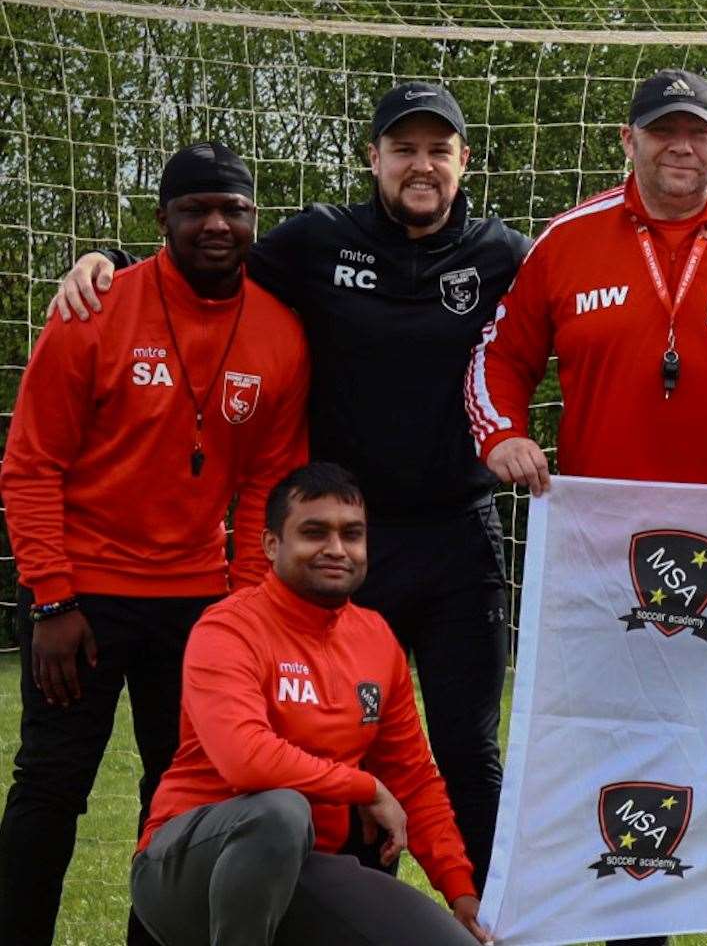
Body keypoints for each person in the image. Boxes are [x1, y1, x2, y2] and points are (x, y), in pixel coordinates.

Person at [52, 82, 528, 891]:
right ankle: (330, 911)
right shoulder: (317, 239)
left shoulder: (505, 253)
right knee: (325, 744)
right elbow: (208, 261)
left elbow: (583, 295)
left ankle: (485, 916)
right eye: (402, 148)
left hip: (458, 535)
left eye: (437, 150)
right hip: (340, 545)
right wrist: (113, 262)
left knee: (467, 753)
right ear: (372, 157)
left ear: (462, 161)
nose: (421, 164)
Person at [465, 69, 707, 946]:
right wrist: (501, 435)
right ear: (628, 140)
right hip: (611, 564)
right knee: (631, 759)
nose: (681, 146)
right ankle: (633, 926)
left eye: (699, 132)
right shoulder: (568, 242)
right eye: (662, 131)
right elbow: (495, 357)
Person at [0, 142, 309, 946]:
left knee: (180, 800)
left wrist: (243, 611)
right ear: (162, 219)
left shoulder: (279, 333)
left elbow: (265, 490)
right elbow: (30, 465)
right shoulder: (93, 311)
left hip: (200, 606)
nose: (215, 224)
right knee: (48, 789)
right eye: (194, 209)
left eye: (232, 209)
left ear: (253, 219)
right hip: (83, 602)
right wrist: (53, 598)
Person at [130, 462, 494, 946]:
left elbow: (413, 776)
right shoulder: (226, 629)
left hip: (306, 871)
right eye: (314, 532)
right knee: (280, 813)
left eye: (352, 534)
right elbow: (246, 761)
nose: (336, 549)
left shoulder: (376, 640)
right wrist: (365, 787)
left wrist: (459, 889)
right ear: (270, 545)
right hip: (183, 873)